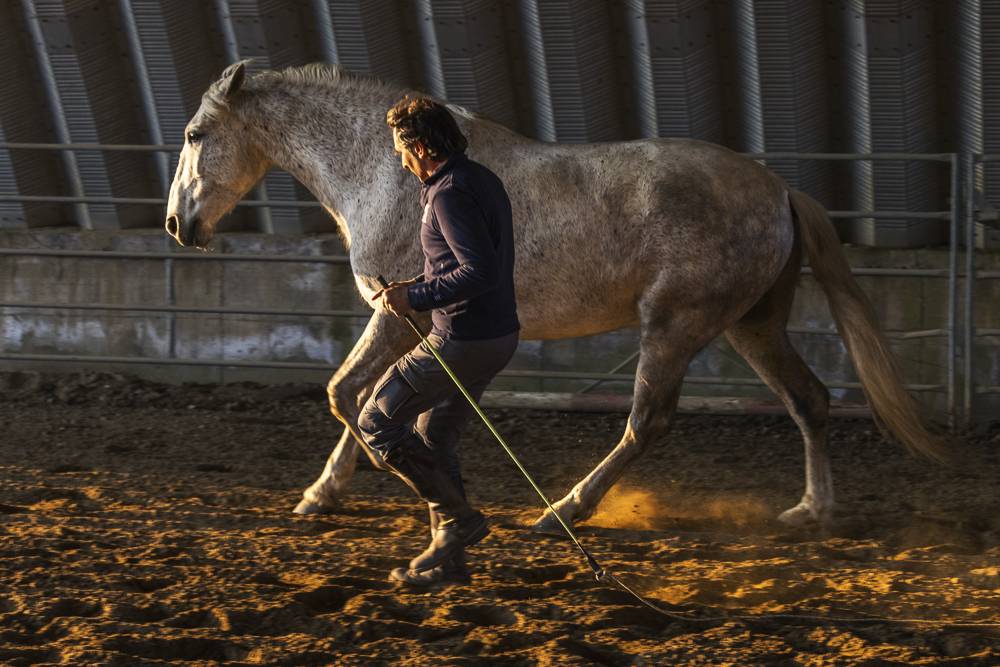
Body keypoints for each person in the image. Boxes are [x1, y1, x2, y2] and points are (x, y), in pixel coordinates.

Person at [357, 96, 520, 587]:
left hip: (462, 340)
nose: (399, 159)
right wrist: (411, 287)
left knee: (376, 422)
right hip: (496, 336)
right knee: (435, 441)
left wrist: (418, 297)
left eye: (400, 150)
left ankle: (458, 519)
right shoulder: (478, 180)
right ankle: (451, 565)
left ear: (421, 146)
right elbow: (461, 263)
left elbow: (479, 271)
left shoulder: (448, 193)